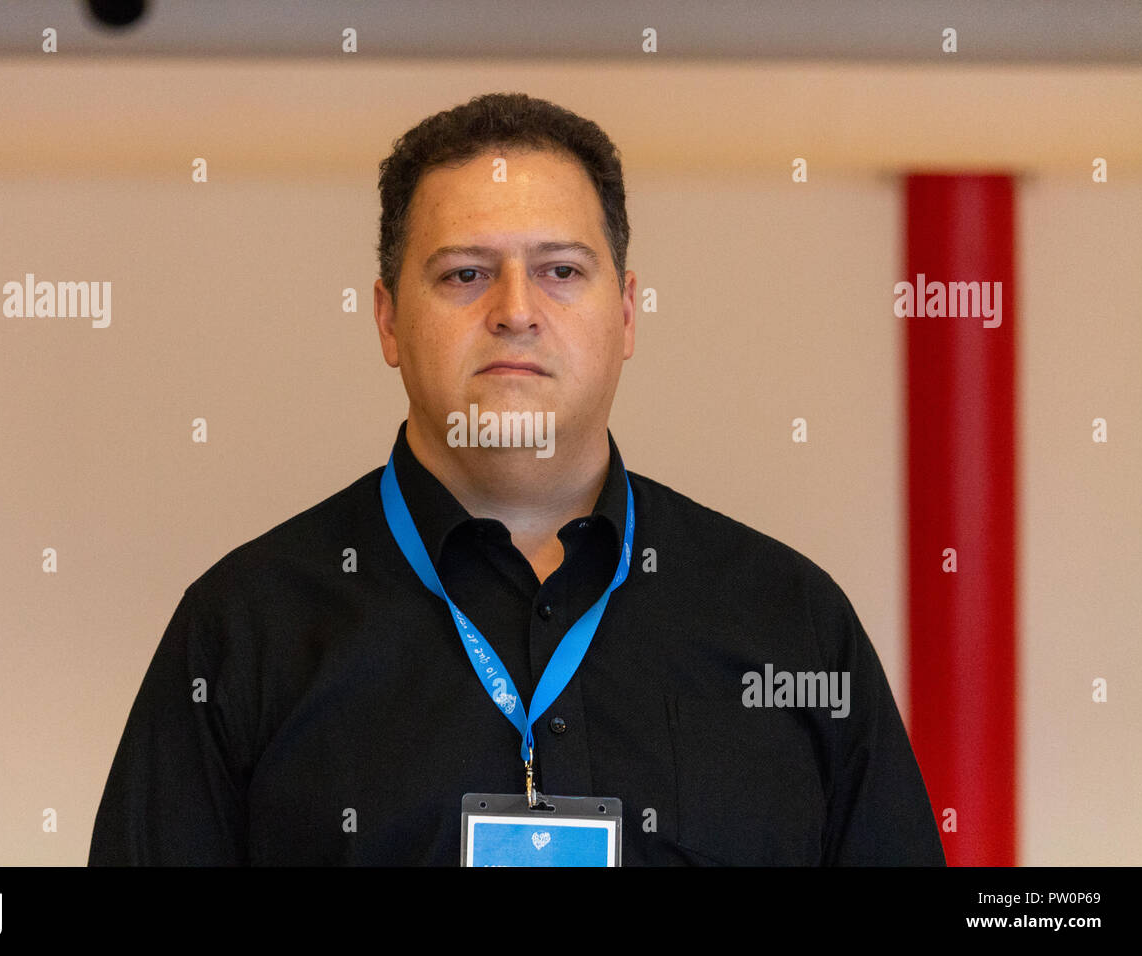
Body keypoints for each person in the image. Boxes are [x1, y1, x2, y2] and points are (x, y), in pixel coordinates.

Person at [88, 91, 946, 866]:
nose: (514, 309)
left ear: (626, 312)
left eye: (560, 270)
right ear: (387, 319)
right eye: (464, 273)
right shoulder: (246, 628)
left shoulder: (789, 622)